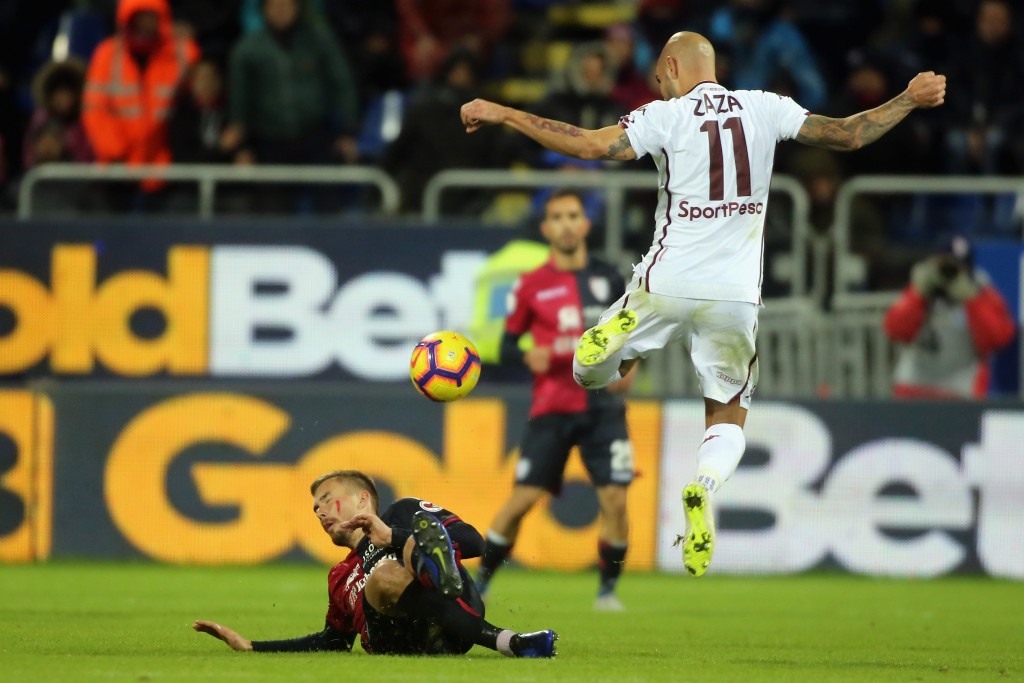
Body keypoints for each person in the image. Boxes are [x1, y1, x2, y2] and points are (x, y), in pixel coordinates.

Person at [460, 31, 946, 577]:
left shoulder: (664, 116)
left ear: (670, 66)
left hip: (667, 281)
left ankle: (612, 340)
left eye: (659, 76)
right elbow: (847, 135)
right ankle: (703, 487)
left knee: (587, 371)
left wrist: (505, 112)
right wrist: (907, 98)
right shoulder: (767, 107)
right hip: (735, 296)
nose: (658, 85)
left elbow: (590, 146)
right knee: (728, 410)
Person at [194, 470, 557, 658]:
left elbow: (475, 543)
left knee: (413, 540)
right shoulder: (339, 576)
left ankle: (434, 569)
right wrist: (253, 646)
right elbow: (333, 642)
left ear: (362, 498)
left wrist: (394, 537)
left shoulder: (403, 511)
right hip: (396, 640)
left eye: (326, 500)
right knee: (384, 573)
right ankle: (509, 641)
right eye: (315, 508)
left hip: (452, 621)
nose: (319, 511)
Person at [474, 190, 635, 612]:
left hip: (604, 409)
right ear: (546, 229)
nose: (566, 224)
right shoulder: (530, 285)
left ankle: (607, 592)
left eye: (573, 216)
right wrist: (527, 354)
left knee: (616, 501)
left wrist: (630, 369)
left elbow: (632, 333)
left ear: (585, 225)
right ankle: (482, 583)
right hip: (553, 407)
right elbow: (505, 347)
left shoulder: (611, 279)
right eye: (557, 217)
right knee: (521, 502)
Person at [82, 0, 200, 194]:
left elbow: (196, 97)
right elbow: (95, 110)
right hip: (115, 170)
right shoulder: (107, 54)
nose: (146, 22)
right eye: (140, 15)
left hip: (166, 170)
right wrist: (117, 153)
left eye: (152, 15)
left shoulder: (182, 52)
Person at [883, 237, 1015, 399]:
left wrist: (972, 301)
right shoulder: (922, 287)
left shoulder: (983, 293)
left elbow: (996, 339)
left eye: (957, 268)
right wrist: (918, 294)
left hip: (960, 390)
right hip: (913, 387)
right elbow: (895, 330)